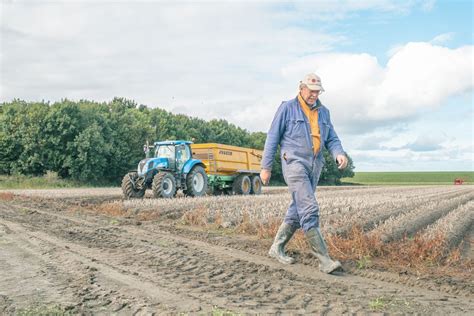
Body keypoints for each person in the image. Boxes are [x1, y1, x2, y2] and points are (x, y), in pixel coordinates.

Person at [260, 73, 348, 274]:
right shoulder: (287, 108)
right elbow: (272, 137)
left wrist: (339, 153)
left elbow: (332, 138)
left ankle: (276, 247)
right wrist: (266, 167)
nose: (314, 95)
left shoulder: (324, 112)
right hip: (293, 162)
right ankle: (324, 260)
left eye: (317, 92)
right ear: (301, 88)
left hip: (315, 164)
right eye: (311, 91)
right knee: (308, 207)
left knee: (297, 208)